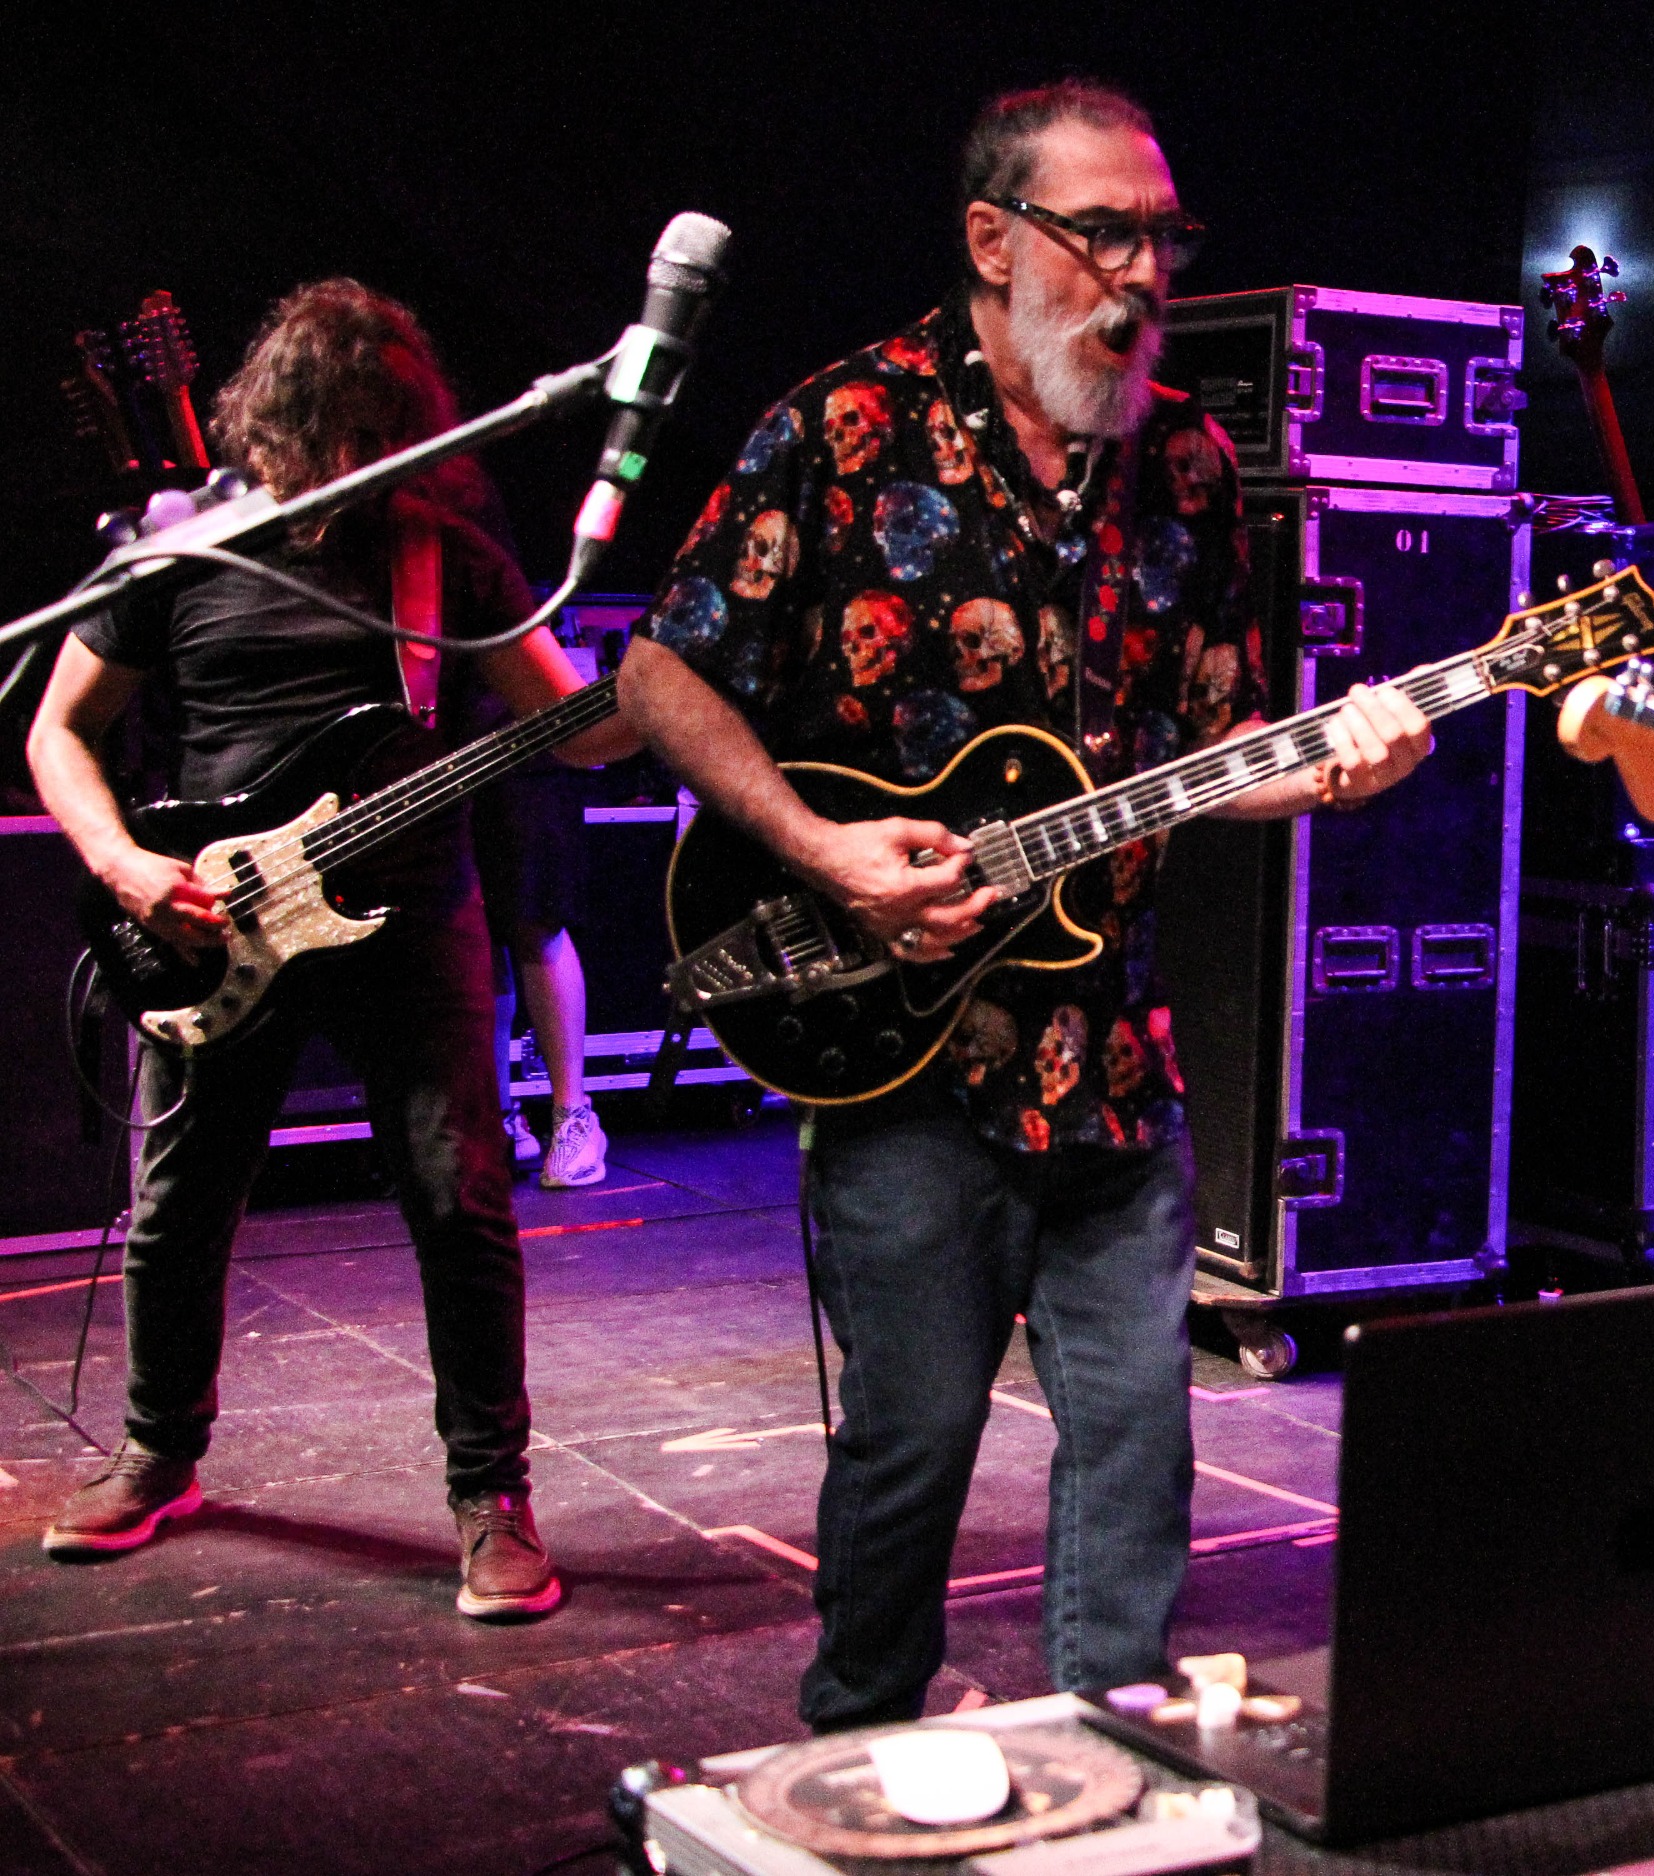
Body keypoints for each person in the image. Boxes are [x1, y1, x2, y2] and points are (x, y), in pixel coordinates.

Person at [614, 80, 1433, 1728]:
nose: (1143, 273)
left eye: (1164, 235)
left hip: (1112, 1041)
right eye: (1104, 232)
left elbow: (1213, 747)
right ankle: (850, 1743)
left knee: (1141, 1431)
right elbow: (657, 672)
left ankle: (1115, 1745)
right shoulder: (846, 427)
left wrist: (1340, 764)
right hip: (898, 1043)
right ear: (993, 240)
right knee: (914, 1434)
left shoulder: (1188, 463)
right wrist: (827, 850)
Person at [25, 281, 637, 1616]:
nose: (367, 469)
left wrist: (668, 683)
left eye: (390, 438)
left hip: (411, 915)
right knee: (181, 1204)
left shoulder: (445, 555)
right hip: (214, 916)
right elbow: (58, 731)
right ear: (288, 423)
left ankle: (492, 1496)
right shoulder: (183, 551)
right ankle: (157, 1455)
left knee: (461, 1201)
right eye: (345, 436)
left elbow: (579, 730)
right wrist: (128, 866)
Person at [475, 752, 609, 1188]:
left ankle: (574, 1117)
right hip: (442, 751)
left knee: (536, 920)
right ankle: (498, 1120)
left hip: (521, 746)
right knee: (471, 929)